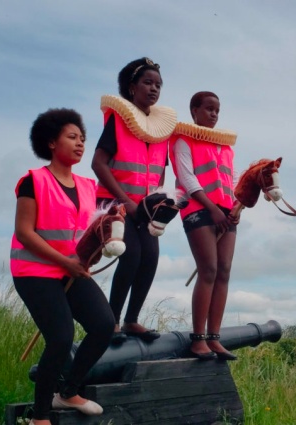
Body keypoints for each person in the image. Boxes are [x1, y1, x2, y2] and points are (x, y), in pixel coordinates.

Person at [11, 108, 114, 425]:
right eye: (72, 137)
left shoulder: (88, 186)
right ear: (51, 142)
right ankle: (40, 416)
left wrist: (109, 228)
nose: (80, 143)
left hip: (71, 270)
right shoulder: (33, 181)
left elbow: (93, 229)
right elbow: (24, 233)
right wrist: (64, 262)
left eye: (83, 138)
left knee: (103, 325)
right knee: (60, 337)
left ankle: (68, 393)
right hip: (35, 272)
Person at [91, 57, 177, 343]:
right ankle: (111, 322)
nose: (154, 89)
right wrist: (124, 200)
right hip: (116, 203)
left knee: (150, 258)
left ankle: (131, 320)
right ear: (132, 88)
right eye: (147, 83)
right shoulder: (118, 121)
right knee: (131, 255)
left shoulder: (161, 131)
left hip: (146, 209)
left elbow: (160, 174)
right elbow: (99, 164)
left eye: (158, 85)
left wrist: (159, 206)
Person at [170, 91, 239, 360]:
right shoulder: (183, 141)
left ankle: (214, 337)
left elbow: (232, 179)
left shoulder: (226, 148)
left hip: (226, 211)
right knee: (208, 269)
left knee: (224, 269)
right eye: (208, 109)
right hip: (199, 209)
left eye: (217, 110)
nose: (214, 114)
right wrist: (211, 207)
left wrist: (234, 206)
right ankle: (198, 339)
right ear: (194, 111)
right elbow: (186, 177)